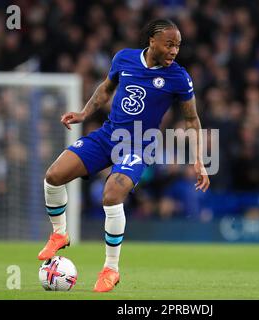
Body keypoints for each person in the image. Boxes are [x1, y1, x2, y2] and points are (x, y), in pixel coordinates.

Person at [37, 19, 210, 292]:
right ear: (152, 41)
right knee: (53, 176)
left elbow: (192, 120)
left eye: (178, 45)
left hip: (139, 145)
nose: (174, 51)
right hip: (108, 135)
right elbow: (106, 89)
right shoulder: (124, 58)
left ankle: (110, 269)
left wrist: (198, 159)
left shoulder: (178, 77)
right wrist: (84, 113)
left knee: (112, 194)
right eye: (169, 44)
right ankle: (59, 233)